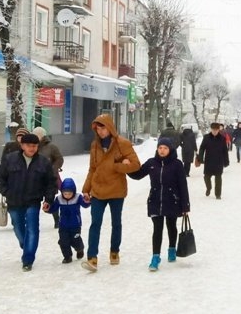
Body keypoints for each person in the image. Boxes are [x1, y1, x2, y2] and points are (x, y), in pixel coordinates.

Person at [81, 114, 141, 272]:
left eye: (103, 128)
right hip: (98, 190)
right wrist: (86, 189)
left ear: (110, 128)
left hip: (116, 190)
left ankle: (114, 251)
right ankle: (92, 257)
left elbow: (136, 165)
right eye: (97, 129)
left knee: (116, 223)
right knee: (95, 223)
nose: (100, 131)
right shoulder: (95, 145)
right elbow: (92, 169)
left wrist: (118, 166)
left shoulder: (123, 143)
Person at [0, 132, 55, 271]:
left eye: (34, 146)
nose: (32, 148)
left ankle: (28, 259)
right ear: (22, 146)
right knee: (18, 227)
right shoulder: (10, 159)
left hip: (33, 200)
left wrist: (48, 199)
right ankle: (26, 244)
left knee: (32, 229)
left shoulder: (43, 162)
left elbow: (51, 183)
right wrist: (6, 192)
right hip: (14, 201)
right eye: (29, 145)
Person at [130, 137, 190, 271]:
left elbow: (183, 185)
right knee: (157, 229)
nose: (162, 150)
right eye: (160, 148)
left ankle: (172, 249)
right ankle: (155, 257)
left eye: (165, 148)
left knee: (171, 225)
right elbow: (138, 174)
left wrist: (185, 205)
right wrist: (126, 167)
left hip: (172, 200)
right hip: (155, 200)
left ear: (170, 149)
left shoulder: (177, 164)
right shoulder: (152, 163)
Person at [47, 178, 89, 263]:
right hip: (63, 225)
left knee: (75, 240)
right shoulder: (59, 199)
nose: (67, 195)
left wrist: (87, 201)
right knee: (63, 241)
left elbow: (85, 205)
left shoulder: (78, 197)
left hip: (75, 225)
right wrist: (47, 208)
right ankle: (67, 256)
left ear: (74, 192)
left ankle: (79, 249)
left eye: (69, 193)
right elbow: (54, 208)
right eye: (65, 193)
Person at [33, 127, 64, 229]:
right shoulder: (33, 147)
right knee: (34, 200)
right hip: (36, 178)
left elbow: (59, 159)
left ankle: (57, 220)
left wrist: (53, 168)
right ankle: (32, 221)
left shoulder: (51, 147)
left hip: (49, 178)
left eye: (36, 135)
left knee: (50, 199)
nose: (35, 137)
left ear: (42, 136)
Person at [197, 122, 231, 199]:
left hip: (219, 161)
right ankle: (209, 188)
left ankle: (218, 194)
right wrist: (200, 158)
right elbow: (202, 148)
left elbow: (225, 151)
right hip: (209, 160)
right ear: (211, 129)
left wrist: (226, 161)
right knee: (206, 177)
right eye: (213, 129)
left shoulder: (222, 138)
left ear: (218, 130)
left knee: (218, 178)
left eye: (216, 130)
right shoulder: (206, 137)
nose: (215, 131)